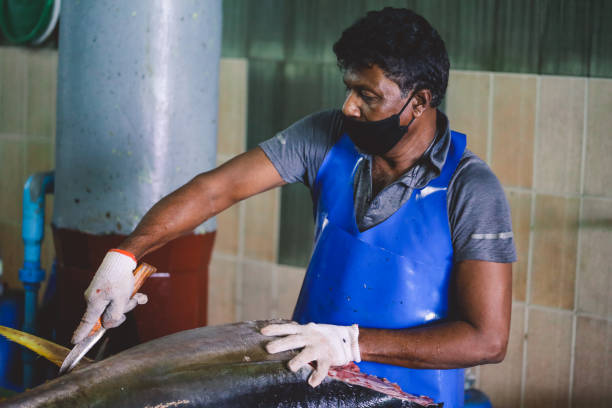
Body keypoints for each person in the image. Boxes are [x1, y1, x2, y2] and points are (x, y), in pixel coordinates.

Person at [71, 8, 515, 407]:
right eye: (349, 89)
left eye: (369, 96)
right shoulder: (327, 137)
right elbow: (214, 191)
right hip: (311, 388)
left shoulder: (470, 189)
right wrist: (126, 256)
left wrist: (351, 344)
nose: (349, 107)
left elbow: (487, 339)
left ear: (418, 102)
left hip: (415, 399)